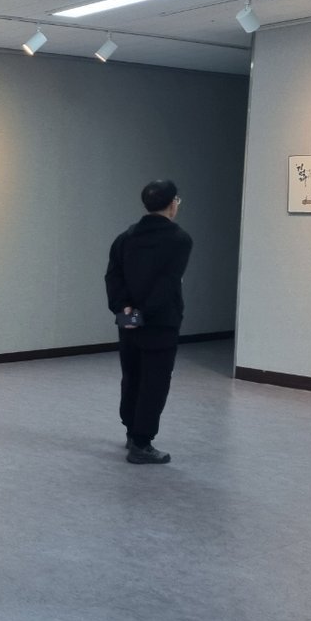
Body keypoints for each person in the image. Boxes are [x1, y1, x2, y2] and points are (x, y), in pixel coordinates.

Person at [105, 179, 193, 465]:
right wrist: (143, 313)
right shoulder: (180, 240)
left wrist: (127, 312)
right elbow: (167, 284)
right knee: (155, 382)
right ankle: (142, 443)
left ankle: (131, 432)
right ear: (172, 204)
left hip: (128, 321)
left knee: (132, 376)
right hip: (161, 323)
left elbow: (113, 278)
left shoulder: (125, 238)